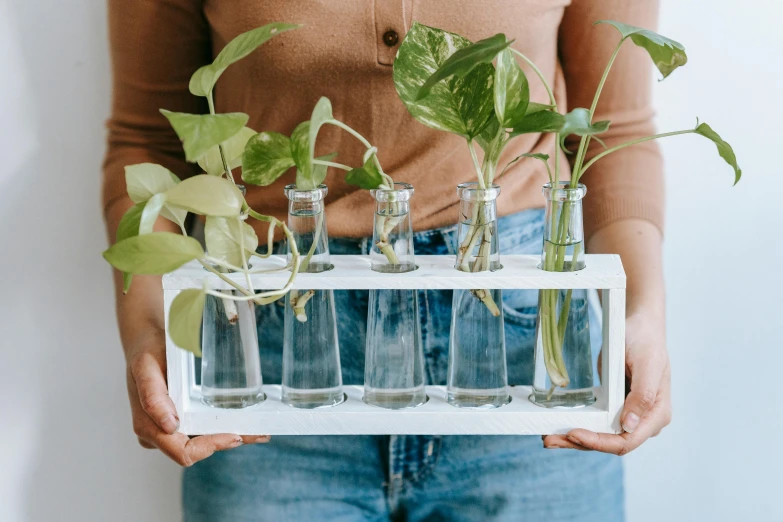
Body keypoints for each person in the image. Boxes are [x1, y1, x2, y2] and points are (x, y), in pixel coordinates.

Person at [103, 1, 671, 520]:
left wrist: (642, 314)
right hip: (272, 339)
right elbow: (147, 137)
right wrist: (147, 329)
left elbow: (612, 132)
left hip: (524, 335)